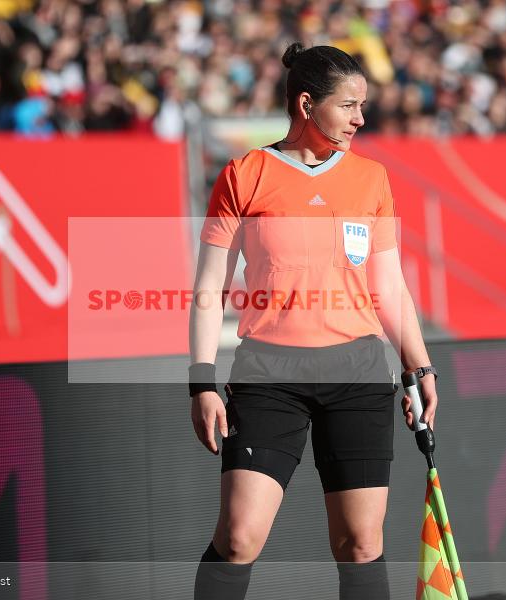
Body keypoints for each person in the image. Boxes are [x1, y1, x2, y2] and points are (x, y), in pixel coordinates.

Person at [189, 42, 439, 600]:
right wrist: (201, 381)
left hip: (358, 373)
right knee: (238, 538)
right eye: (348, 106)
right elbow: (210, 287)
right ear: (307, 105)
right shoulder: (244, 174)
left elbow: (389, 286)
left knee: (360, 543)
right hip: (268, 375)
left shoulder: (372, 180)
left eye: (362, 106)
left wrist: (420, 369)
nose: (361, 118)